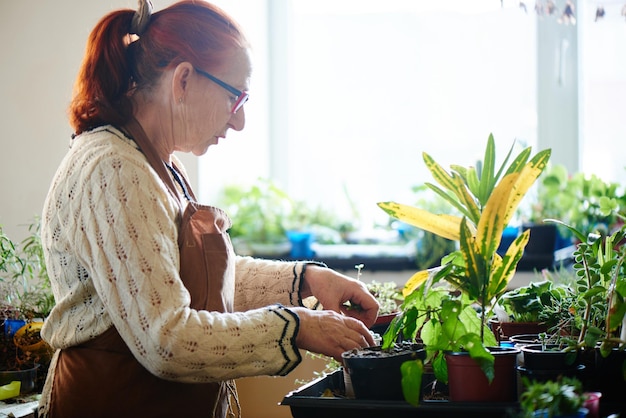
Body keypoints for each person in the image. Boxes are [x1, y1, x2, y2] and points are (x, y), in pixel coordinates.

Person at [38, 1, 379, 417]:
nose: (239, 122)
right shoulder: (113, 169)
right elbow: (167, 340)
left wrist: (307, 281)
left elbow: (189, 280)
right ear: (183, 79)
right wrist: (297, 327)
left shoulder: (159, 164)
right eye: (236, 96)